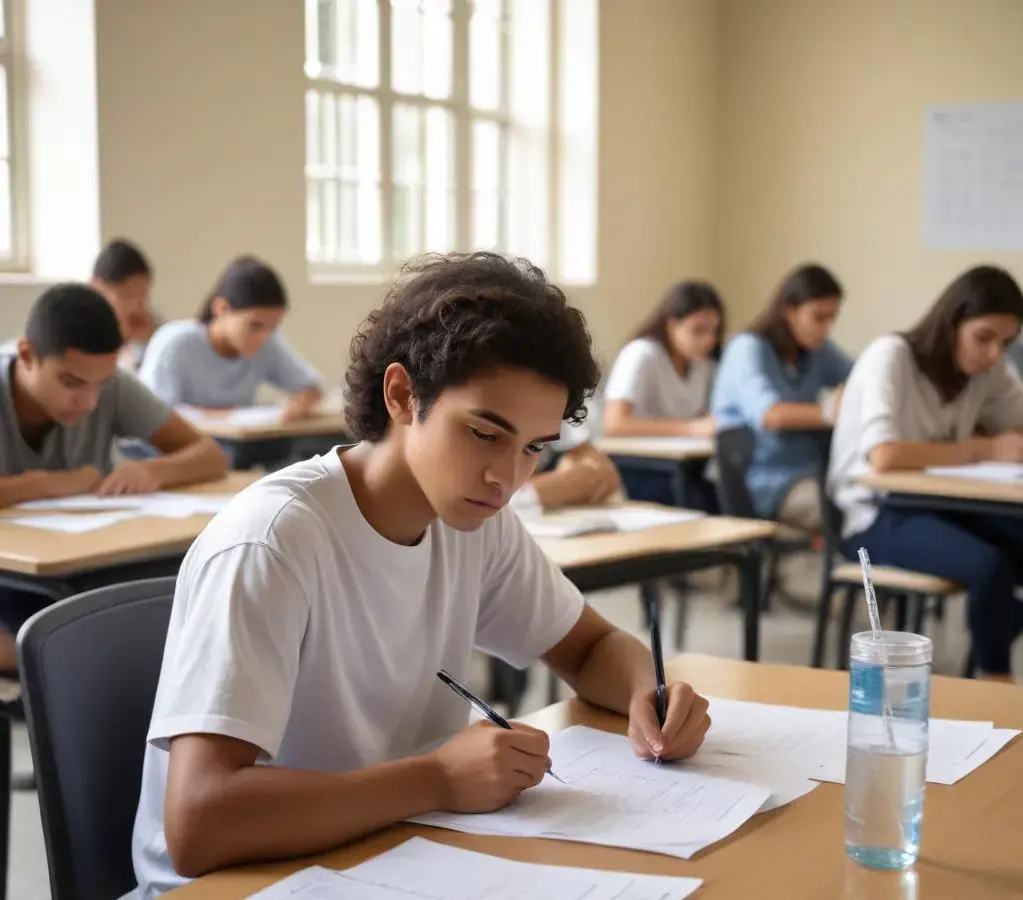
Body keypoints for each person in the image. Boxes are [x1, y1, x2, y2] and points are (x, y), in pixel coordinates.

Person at [132, 252, 712, 897]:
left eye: (533, 449)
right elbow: (198, 825)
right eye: (485, 434)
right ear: (404, 395)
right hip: (248, 882)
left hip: (392, 854)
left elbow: (593, 645)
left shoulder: (474, 524)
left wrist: (647, 693)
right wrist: (434, 779)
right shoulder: (274, 543)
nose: (508, 480)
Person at [0, 284, 228, 672]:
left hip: (83, 568)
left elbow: (209, 454)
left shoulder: (112, 385)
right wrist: (52, 483)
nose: (89, 402)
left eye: (99, 384)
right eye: (72, 383)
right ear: (26, 355)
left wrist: (151, 470)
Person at [828, 266, 1023, 683]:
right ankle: (998, 688)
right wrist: (983, 448)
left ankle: (991, 622)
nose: (994, 354)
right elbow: (884, 455)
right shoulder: (891, 355)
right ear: (952, 323)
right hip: (872, 515)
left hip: (942, 503)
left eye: (1005, 343)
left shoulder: (988, 371)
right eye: (984, 337)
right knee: (990, 568)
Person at [711, 264, 852, 531]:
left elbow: (860, 376)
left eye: (832, 318)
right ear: (789, 310)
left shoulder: (817, 351)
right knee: (846, 517)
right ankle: (858, 573)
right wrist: (829, 411)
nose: (826, 328)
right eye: (819, 317)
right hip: (767, 481)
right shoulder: (748, 349)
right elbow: (770, 415)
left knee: (870, 508)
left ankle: (858, 573)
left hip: (815, 473)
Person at [139, 256, 323, 419]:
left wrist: (299, 404)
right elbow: (153, 414)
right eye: (255, 325)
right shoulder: (176, 342)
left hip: (235, 447)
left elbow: (311, 386)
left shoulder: (267, 343)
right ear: (221, 309)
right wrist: (224, 416)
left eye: (272, 328)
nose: (263, 337)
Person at [603, 280, 724, 510]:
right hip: (641, 467)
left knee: (722, 494)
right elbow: (614, 424)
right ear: (671, 324)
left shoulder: (704, 366)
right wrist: (690, 428)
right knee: (700, 503)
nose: (709, 340)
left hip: (687, 464)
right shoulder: (641, 354)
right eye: (698, 330)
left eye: (714, 331)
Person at [91, 239, 160, 371]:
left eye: (143, 295)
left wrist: (148, 343)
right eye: (128, 294)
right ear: (98, 288)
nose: (137, 306)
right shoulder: (79, 332)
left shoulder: (151, 328)